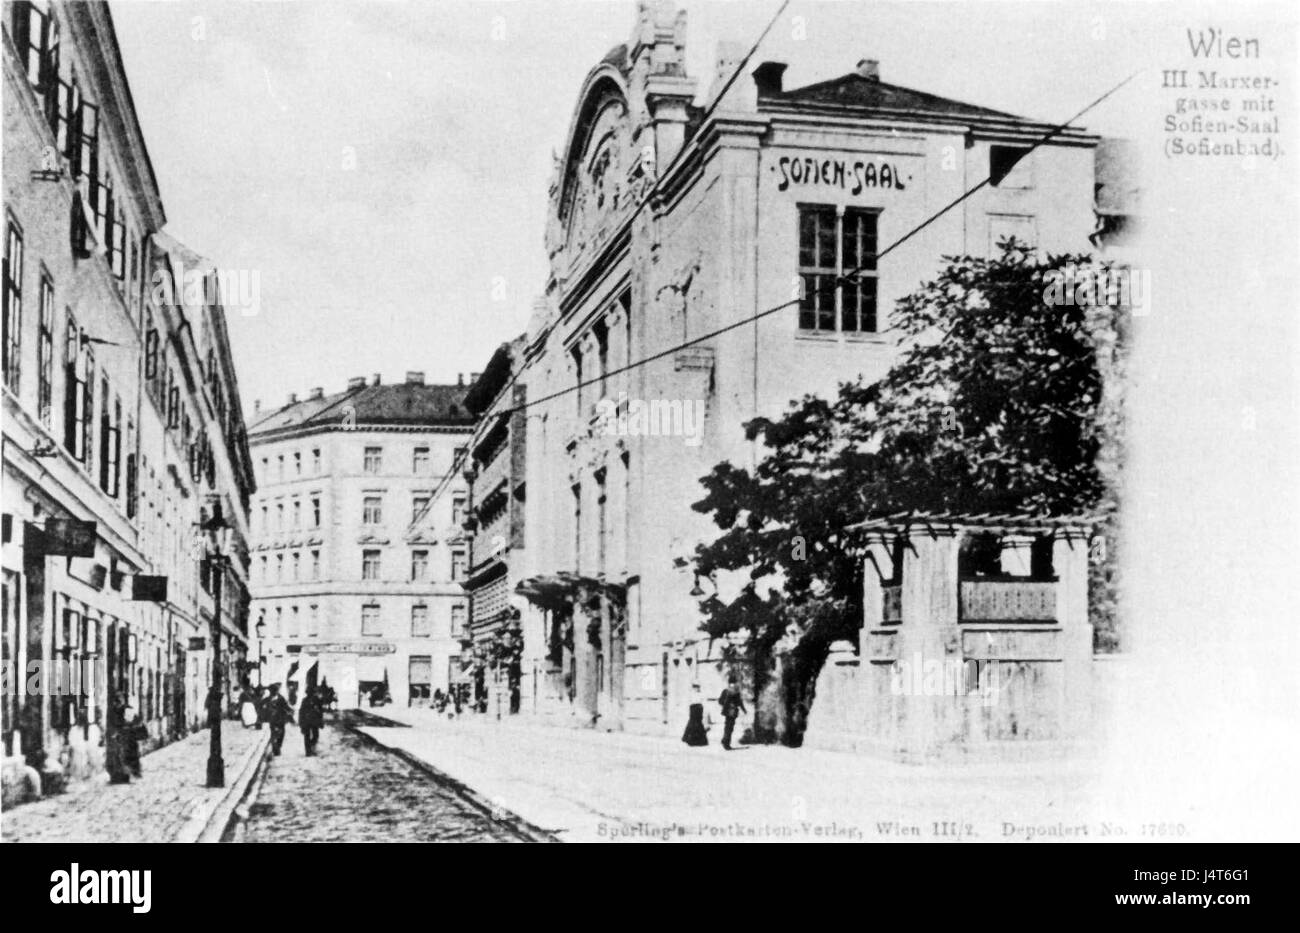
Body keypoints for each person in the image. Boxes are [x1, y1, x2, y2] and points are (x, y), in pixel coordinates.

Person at [262, 684, 294, 756]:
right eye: (272, 691)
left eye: (275, 691)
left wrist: (290, 710)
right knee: (273, 733)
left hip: (280, 718)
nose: (274, 692)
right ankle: (275, 748)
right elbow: (261, 705)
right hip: (272, 720)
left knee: (282, 733)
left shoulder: (281, 698)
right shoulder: (267, 699)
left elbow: (286, 706)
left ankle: (278, 746)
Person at [718, 678, 747, 750]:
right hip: (733, 712)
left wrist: (725, 706)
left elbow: (720, 701)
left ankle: (725, 740)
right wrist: (744, 710)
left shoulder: (725, 691)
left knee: (727, 726)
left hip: (727, 712)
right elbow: (740, 702)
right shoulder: (736, 691)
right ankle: (726, 743)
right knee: (730, 728)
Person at [298, 687, 324, 756]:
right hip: (307, 721)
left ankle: (310, 747)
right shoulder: (304, 700)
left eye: (311, 693)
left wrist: (321, 721)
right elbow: (301, 712)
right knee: (307, 736)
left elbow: (320, 711)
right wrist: (301, 722)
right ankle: (308, 752)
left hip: (314, 721)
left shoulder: (317, 700)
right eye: (309, 693)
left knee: (316, 736)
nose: (310, 694)